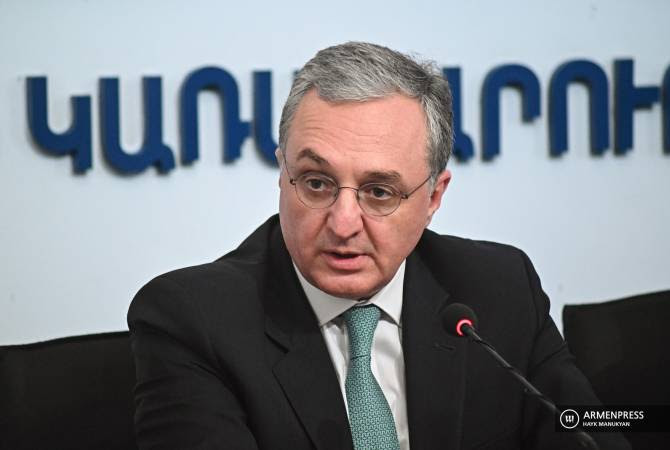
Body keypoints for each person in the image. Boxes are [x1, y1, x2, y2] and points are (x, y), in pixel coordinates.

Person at [128, 42, 630, 450]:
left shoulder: (498, 288)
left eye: (380, 192)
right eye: (317, 183)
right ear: (282, 174)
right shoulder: (195, 320)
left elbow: (589, 431)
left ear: (433, 197)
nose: (344, 223)